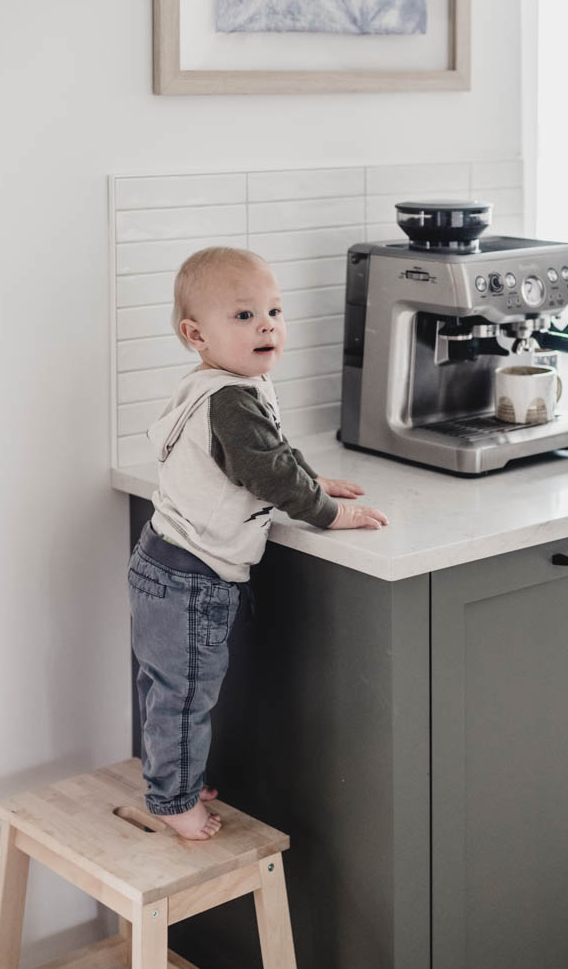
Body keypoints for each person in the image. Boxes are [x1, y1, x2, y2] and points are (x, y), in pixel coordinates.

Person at [127, 246, 388, 840]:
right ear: (197, 334)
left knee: (168, 689)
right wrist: (328, 512)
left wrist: (311, 478)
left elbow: (268, 452)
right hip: (192, 576)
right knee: (185, 694)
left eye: (273, 309)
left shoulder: (224, 383)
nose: (267, 323)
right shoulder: (231, 398)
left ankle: (176, 775)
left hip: (163, 561)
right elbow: (265, 472)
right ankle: (172, 801)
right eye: (244, 315)